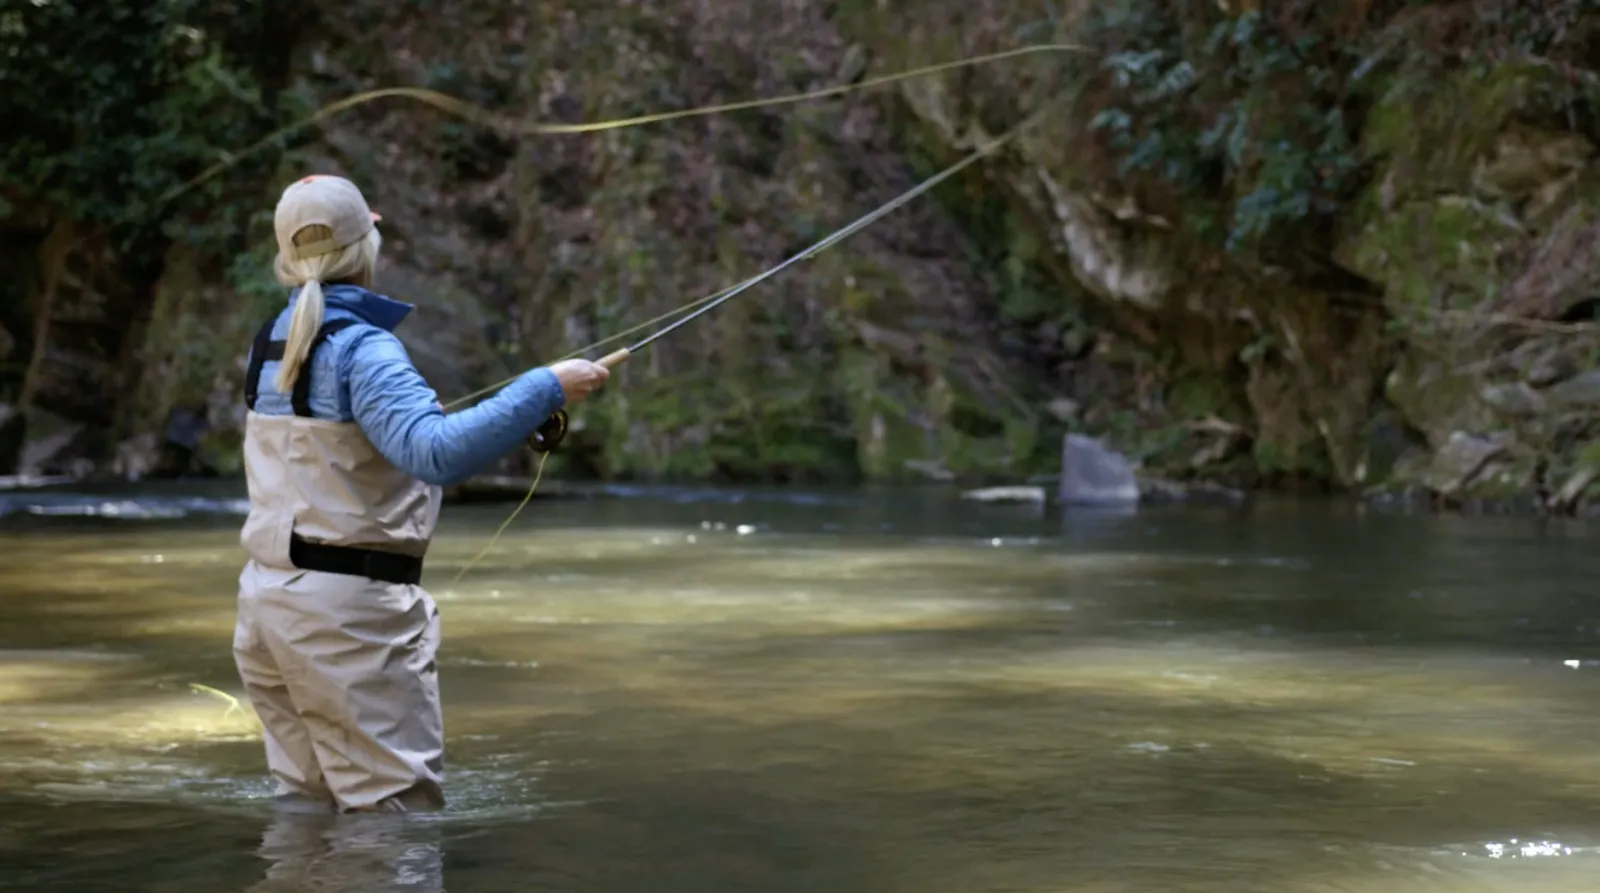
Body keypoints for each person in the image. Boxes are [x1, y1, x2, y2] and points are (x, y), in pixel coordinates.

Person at [232, 173, 610, 814]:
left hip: (267, 606)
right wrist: (545, 387)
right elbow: (436, 454)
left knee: (307, 811)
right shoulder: (365, 349)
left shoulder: (272, 341)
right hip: (348, 621)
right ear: (366, 245)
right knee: (394, 825)